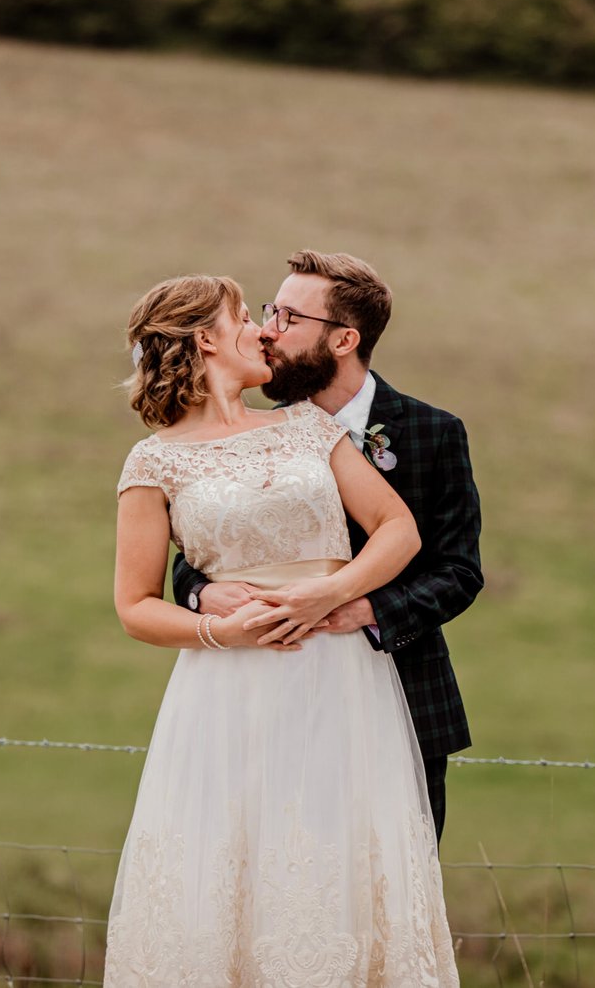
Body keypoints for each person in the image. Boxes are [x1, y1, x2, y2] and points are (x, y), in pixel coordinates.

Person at [106, 273, 459, 986]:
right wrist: (222, 631)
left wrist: (330, 592)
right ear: (206, 339)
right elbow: (136, 604)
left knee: (336, 857)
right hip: (225, 693)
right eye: (245, 317)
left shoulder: (308, 428)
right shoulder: (154, 460)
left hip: (340, 679)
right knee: (228, 861)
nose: (262, 330)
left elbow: (398, 529)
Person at [174, 250, 481, 842]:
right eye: (271, 312)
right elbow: (197, 547)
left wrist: (357, 608)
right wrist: (202, 595)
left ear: (344, 340)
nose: (268, 331)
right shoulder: (253, 433)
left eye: (289, 318)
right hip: (269, 696)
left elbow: (458, 571)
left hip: (402, 690)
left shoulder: (433, 432)